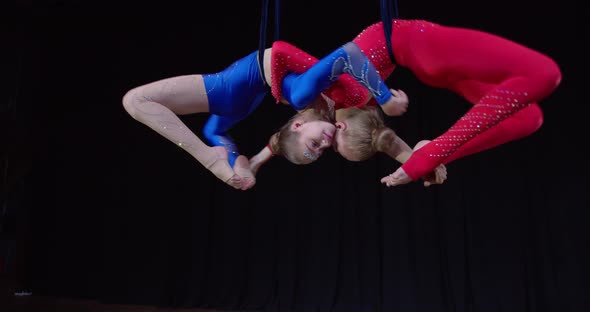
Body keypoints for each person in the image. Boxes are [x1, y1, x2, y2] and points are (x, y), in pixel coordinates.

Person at [121, 39, 407, 190]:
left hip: (227, 89)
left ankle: (213, 159)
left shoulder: (303, 98)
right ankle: (230, 161)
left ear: (297, 125)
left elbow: (278, 50)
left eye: (314, 145)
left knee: (136, 101)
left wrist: (383, 96)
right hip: (240, 100)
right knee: (215, 133)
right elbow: (279, 142)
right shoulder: (322, 107)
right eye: (323, 149)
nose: (323, 145)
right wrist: (254, 163)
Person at [313, 19, 561, 187]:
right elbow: (277, 52)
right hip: (424, 47)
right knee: (543, 77)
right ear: (343, 127)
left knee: (528, 117)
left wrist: (384, 98)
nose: (325, 143)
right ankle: (436, 151)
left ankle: (435, 152)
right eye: (331, 146)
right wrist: (421, 163)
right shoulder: (339, 97)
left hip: (428, 62)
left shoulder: (330, 94)